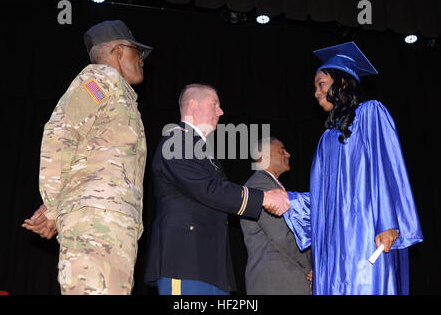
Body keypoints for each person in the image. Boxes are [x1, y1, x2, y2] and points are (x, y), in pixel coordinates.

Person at [21, 20, 153, 295]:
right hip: (96, 221)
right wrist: (54, 207)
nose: (141, 60)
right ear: (118, 51)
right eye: (136, 53)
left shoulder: (122, 96)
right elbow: (62, 134)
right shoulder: (100, 80)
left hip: (113, 223)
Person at [284, 42, 423, 295]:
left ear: (343, 83)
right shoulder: (326, 140)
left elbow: (387, 168)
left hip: (367, 235)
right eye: (315, 87)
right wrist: (286, 200)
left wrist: (388, 222)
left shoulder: (371, 114)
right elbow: (320, 199)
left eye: (321, 84)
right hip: (337, 246)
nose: (316, 92)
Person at [144, 83, 290, 295]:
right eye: (215, 105)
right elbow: (208, 189)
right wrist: (263, 198)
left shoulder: (199, 148)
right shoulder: (176, 141)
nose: (221, 112)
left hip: (210, 265)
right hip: (184, 261)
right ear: (193, 105)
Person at [240, 137, 312, 295]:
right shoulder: (260, 186)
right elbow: (282, 236)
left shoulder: (270, 186)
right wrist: (309, 268)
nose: (288, 154)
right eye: (282, 151)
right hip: (277, 282)